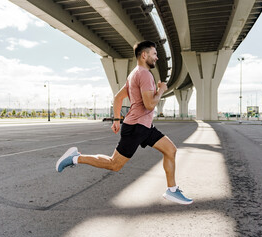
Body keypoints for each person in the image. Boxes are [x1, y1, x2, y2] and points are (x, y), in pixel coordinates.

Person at [56, 40, 192, 205]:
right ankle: (75, 158)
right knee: (114, 164)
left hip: (144, 127)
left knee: (170, 150)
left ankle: (172, 190)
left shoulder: (134, 74)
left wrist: (116, 120)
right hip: (136, 128)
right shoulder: (145, 74)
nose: (156, 58)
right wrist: (161, 90)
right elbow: (149, 104)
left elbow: (118, 98)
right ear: (144, 55)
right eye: (154, 54)